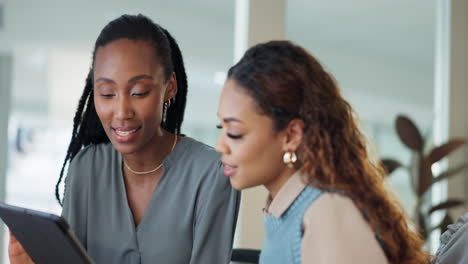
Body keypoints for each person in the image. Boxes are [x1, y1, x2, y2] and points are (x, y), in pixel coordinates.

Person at [9, 14, 240, 264]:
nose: (121, 112)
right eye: (107, 94)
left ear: (170, 87)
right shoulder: (87, 168)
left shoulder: (212, 173)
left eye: (139, 92)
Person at [215, 40, 431, 264]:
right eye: (221, 128)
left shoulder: (325, 213)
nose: (220, 146)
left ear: (291, 135)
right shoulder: (286, 212)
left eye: (234, 132)